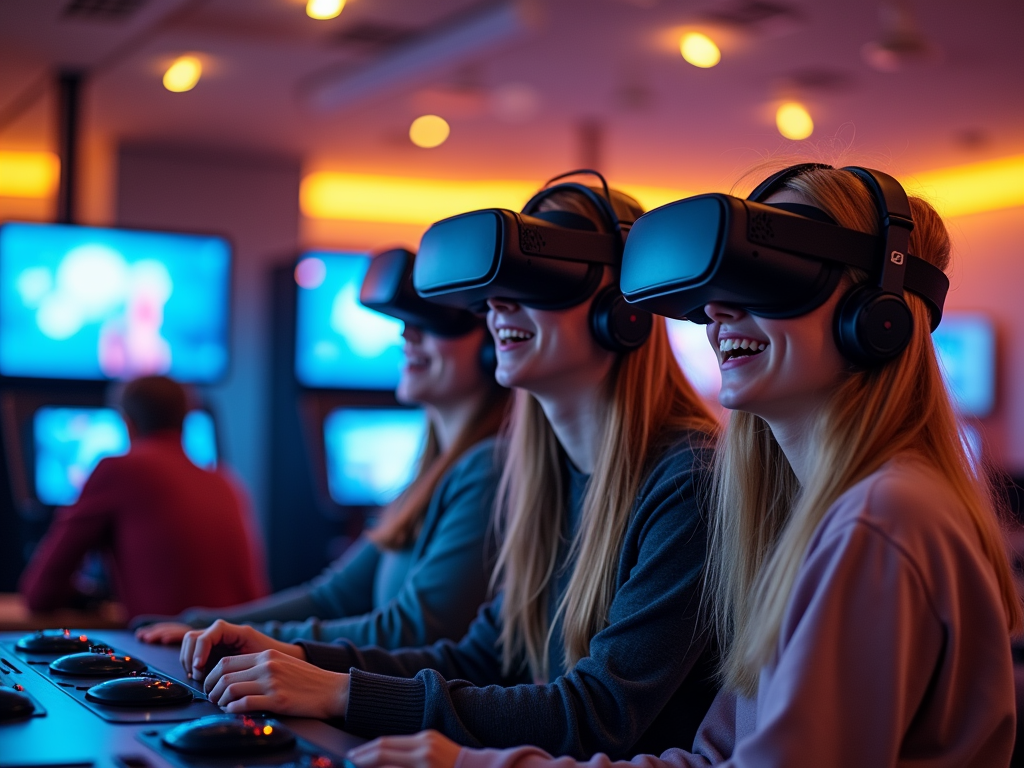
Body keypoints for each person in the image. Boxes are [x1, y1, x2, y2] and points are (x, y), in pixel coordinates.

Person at [348, 164, 1023, 768]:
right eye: (720, 289)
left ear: (874, 316)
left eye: (770, 279)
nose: (716, 313)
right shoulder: (810, 519)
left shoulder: (882, 520)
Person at [176, 174, 721, 759]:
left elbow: (596, 714)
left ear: (624, 310)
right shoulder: (543, 477)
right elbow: (483, 657)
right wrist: (296, 658)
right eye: (498, 288)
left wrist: (340, 692)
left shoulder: (688, 479)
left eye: (541, 281)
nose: (498, 305)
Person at [137, 248, 509, 648]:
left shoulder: (489, 468)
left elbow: (412, 631)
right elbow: (332, 598)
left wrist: (242, 639)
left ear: (494, 347)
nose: (407, 334)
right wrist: (200, 624)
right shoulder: (433, 472)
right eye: (406, 323)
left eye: (437, 324)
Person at [19, 375, 268, 620]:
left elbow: (40, 594)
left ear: (127, 423)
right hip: (247, 651)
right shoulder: (225, 480)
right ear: (186, 418)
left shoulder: (119, 470)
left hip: (176, 652)